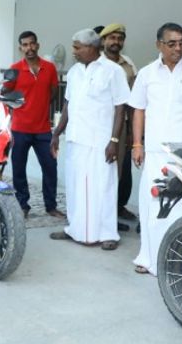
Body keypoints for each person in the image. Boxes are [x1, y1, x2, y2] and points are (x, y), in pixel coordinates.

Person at [129, 23, 182, 275]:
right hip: (154, 151)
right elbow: (138, 110)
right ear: (159, 45)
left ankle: (178, 262)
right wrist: (137, 144)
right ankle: (149, 258)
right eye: (172, 43)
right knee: (153, 204)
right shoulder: (146, 74)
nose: (178, 48)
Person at [49, 28, 130, 251]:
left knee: (103, 187)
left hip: (100, 141)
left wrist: (114, 140)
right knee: (75, 187)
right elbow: (68, 104)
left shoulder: (113, 71)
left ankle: (107, 234)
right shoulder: (74, 72)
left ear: (92, 48)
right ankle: (75, 229)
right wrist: (56, 133)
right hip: (76, 138)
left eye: (78, 47)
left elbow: (120, 107)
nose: (73, 51)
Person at [3, 31, 65, 219]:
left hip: (43, 129)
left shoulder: (50, 68)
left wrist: (38, 106)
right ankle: (23, 205)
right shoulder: (14, 69)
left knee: (50, 167)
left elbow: (53, 93)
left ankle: (51, 206)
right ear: (20, 48)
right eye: (25, 45)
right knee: (19, 170)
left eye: (32, 44)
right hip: (20, 129)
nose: (29, 48)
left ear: (37, 45)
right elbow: (5, 93)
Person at [99, 23, 139, 223]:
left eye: (120, 38)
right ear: (103, 40)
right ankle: (102, 213)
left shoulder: (128, 64)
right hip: (99, 124)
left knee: (122, 169)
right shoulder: (96, 63)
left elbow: (134, 100)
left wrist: (132, 131)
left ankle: (118, 207)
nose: (116, 42)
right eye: (112, 38)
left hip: (122, 124)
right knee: (101, 169)